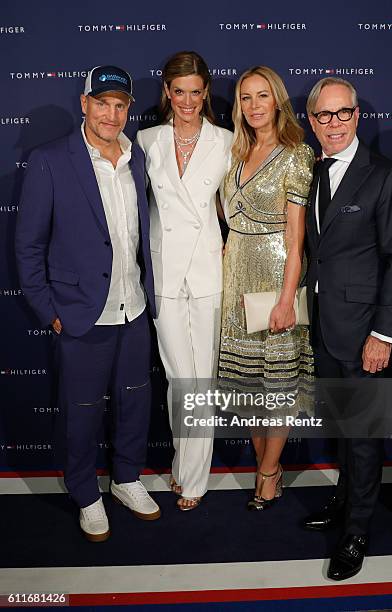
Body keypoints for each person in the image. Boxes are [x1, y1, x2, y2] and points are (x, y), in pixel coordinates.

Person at [15, 65, 160, 542]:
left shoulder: (136, 156)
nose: (112, 114)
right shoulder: (50, 160)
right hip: (80, 313)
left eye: (120, 105)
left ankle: (125, 478)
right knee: (80, 409)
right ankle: (85, 493)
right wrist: (48, 310)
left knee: (135, 403)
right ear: (84, 104)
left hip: (133, 307)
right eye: (102, 103)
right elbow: (28, 246)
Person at [303, 77, 392, 580]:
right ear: (311, 120)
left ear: (357, 116)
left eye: (342, 113)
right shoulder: (310, 172)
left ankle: (357, 531)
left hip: (366, 331)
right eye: (323, 115)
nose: (333, 124)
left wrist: (384, 335)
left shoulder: (386, 177)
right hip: (327, 327)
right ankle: (345, 502)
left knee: (365, 435)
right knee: (345, 430)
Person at [136, 51, 232, 511]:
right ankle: (182, 465)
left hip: (210, 272)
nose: (187, 100)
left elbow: (234, 205)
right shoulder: (146, 139)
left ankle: (192, 478)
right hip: (165, 271)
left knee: (203, 379)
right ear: (167, 93)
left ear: (206, 92)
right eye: (179, 92)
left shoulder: (227, 141)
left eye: (196, 92)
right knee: (179, 378)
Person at [217, 66, 314, 511]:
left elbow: (296, 240)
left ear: (277, 100)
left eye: (262, 96)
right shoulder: (236, 152)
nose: (254, 106)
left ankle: (270, 471)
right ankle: (263, 463)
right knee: (249, 387)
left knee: (277, 388)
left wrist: (286, 299)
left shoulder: (296, 153)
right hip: (234, 280)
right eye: (246, 98)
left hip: (275, 278)